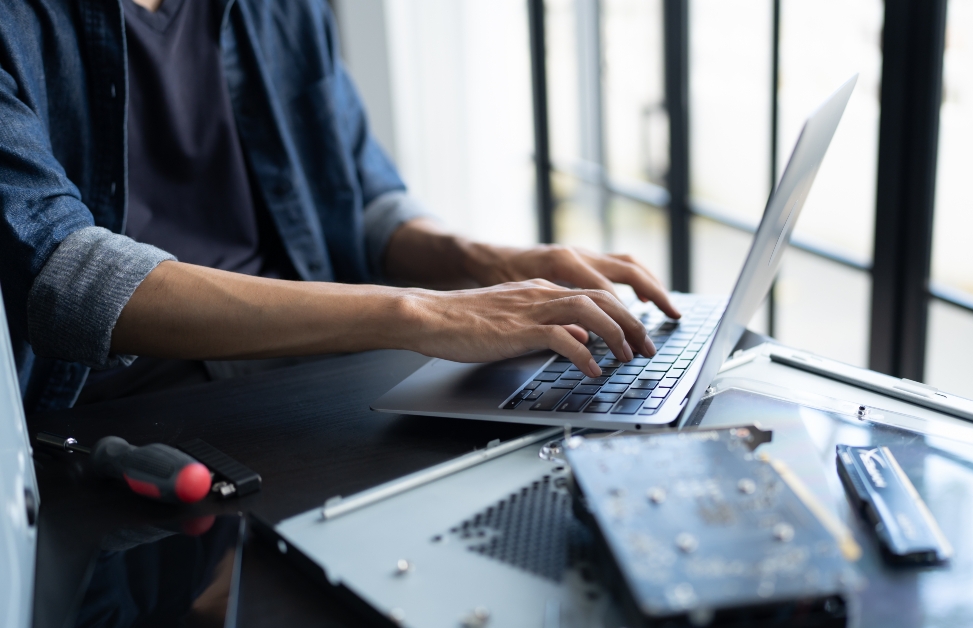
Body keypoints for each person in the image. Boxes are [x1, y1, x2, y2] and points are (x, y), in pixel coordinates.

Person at [0, 0, 679, 414]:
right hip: (115, 414)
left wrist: (492, 264)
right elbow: (70, 282)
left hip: (317, 370)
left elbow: (355, 198)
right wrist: (421, 312)